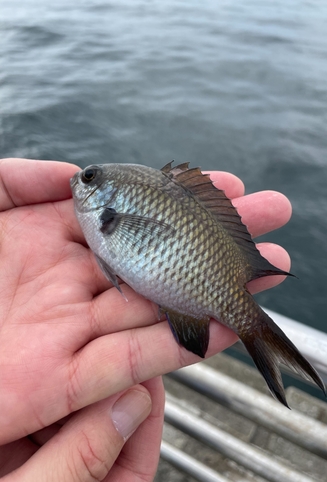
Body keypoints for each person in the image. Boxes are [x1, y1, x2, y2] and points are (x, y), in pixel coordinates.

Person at [0, 158, 292, 481]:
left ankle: (258, 334)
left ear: (106, 193)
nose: (79, 180)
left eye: (89, 177)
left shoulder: (111, 212)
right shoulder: (109, 211)